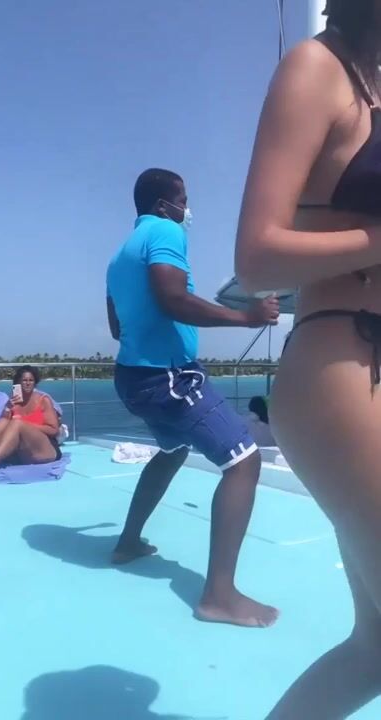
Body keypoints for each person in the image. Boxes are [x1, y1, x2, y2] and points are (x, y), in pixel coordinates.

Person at [235, 0, 381, 716]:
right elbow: (257, 256)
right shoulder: (319, 68)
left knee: (375, 651)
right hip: (343, 362)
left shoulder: (375, 84)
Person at [106, 168, 280, 627]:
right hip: (169, 376)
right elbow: (173, 299)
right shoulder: (166, 231)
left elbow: (116, 327)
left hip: (132, 376)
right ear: (163, 205)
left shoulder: (119, 256)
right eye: (183, 199)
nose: (187, 209)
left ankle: (127, 543)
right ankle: (218, 596)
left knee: (171, 451)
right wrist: (246, 318)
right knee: (244, 462)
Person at [0, 365, 61, 477]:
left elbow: (54, 430)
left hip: (45, 449)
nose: (28, 383)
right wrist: (8, 408)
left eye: (31, 380)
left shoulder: (43, 400)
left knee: (17, 423)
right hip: (22, 452)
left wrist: (26, 425)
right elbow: (1, 427)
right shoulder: (13, 401)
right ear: (18, 383)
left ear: (35, 382)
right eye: (24, 380)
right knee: (3, 422)